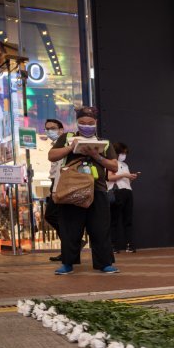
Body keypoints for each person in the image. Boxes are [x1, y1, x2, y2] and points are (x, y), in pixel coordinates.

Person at [48, 106, 119, 275]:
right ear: (77, 123)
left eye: (90, 123)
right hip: (73, 189)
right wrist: (71, 147)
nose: (86, 125)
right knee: (70, 228)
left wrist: (97, 156)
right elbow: (52, 156)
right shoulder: (67, 138)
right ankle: (68, 263)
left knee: (100, 228)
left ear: (96, 123)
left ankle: (104, 263)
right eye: (82, 122)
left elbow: (114, 166)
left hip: (98, 190)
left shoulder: (104, 142)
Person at [107, 142, 138, 253]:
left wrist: (130, 177)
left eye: (125, 153)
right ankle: (113, 245)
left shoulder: (125, 165)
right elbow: (109, 177)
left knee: (128, 219)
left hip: (127, 191)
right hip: (116, 192)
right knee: (114, 220)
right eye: (122, 153)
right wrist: (125, 175)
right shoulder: (110, 163)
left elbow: (126, 180)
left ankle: (129, 244)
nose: (124, 155)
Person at [43, 118, 66, 262]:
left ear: (61, 130)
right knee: (57, 217)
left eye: (53, 128)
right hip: (54, 183)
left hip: (59, 184)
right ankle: (69, 248)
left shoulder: (63, 145)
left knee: (51, 215)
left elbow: (60, 168)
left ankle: (71, 244)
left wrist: (56, 189)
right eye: (47, 129)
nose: (49, 131)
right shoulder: (55, 146)